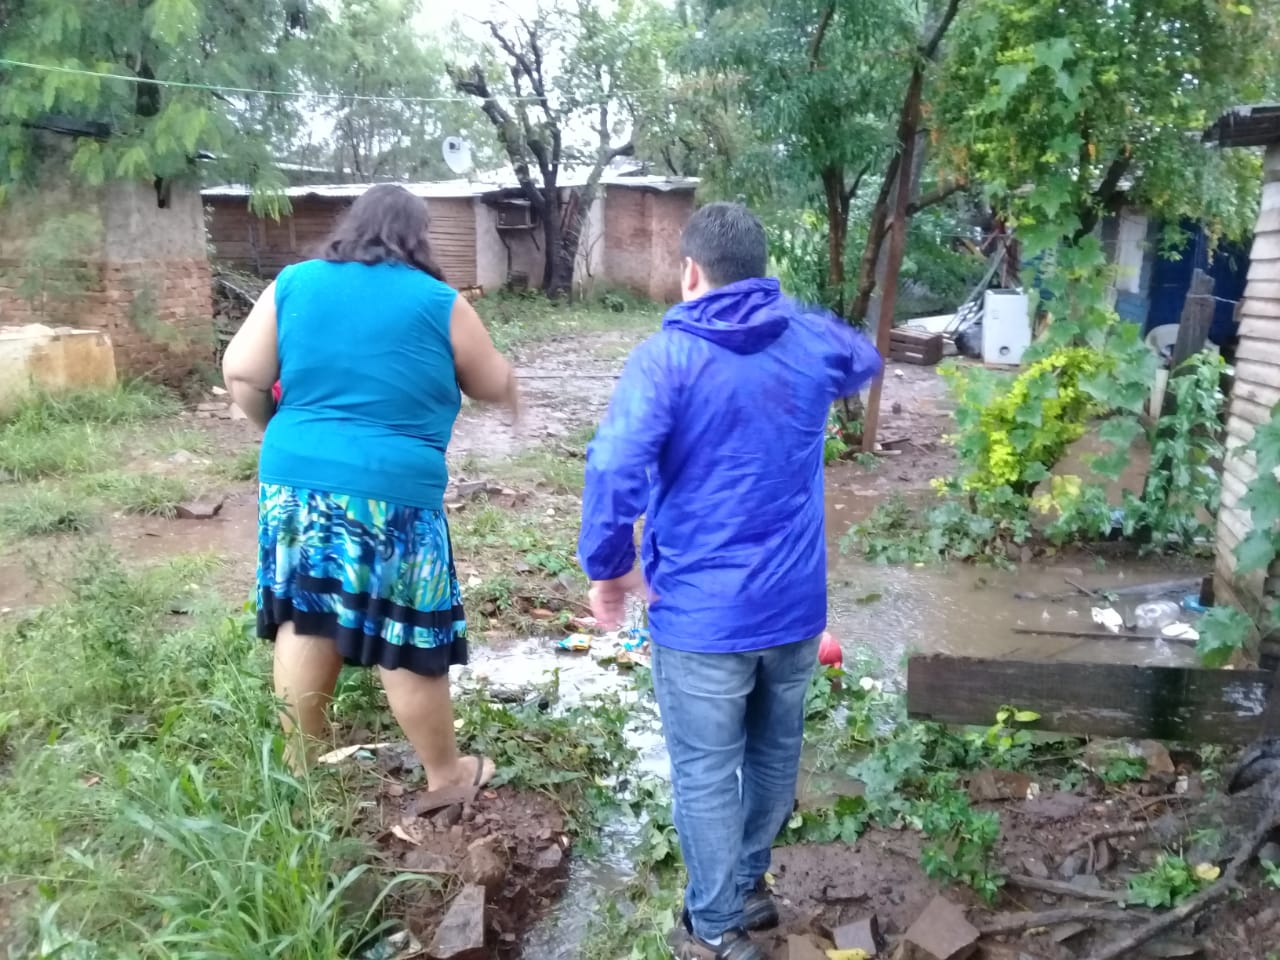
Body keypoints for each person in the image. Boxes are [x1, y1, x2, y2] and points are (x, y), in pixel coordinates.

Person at [578, 202, 882, 960]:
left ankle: (713, 925)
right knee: (774, 756)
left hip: (704, 618)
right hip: (793, 608)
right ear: (760, 270)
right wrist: (784, 314)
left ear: (690, 271)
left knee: (708, 772)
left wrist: (611, 569)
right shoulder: (807, 340)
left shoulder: (666, 359)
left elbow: (614, 467)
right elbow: (864, 358)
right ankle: (746, 889)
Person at [222, 184, 519, 784]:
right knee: (404, 627)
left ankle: (299, 770)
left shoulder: (293, 283)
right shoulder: (439, 302)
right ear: (418, 236)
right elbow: (490, 382)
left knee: (307, 615)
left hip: (294, 480)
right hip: (391, 493)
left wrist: (275, 430)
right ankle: (446, 774)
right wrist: (512, 387)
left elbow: (241, 372)